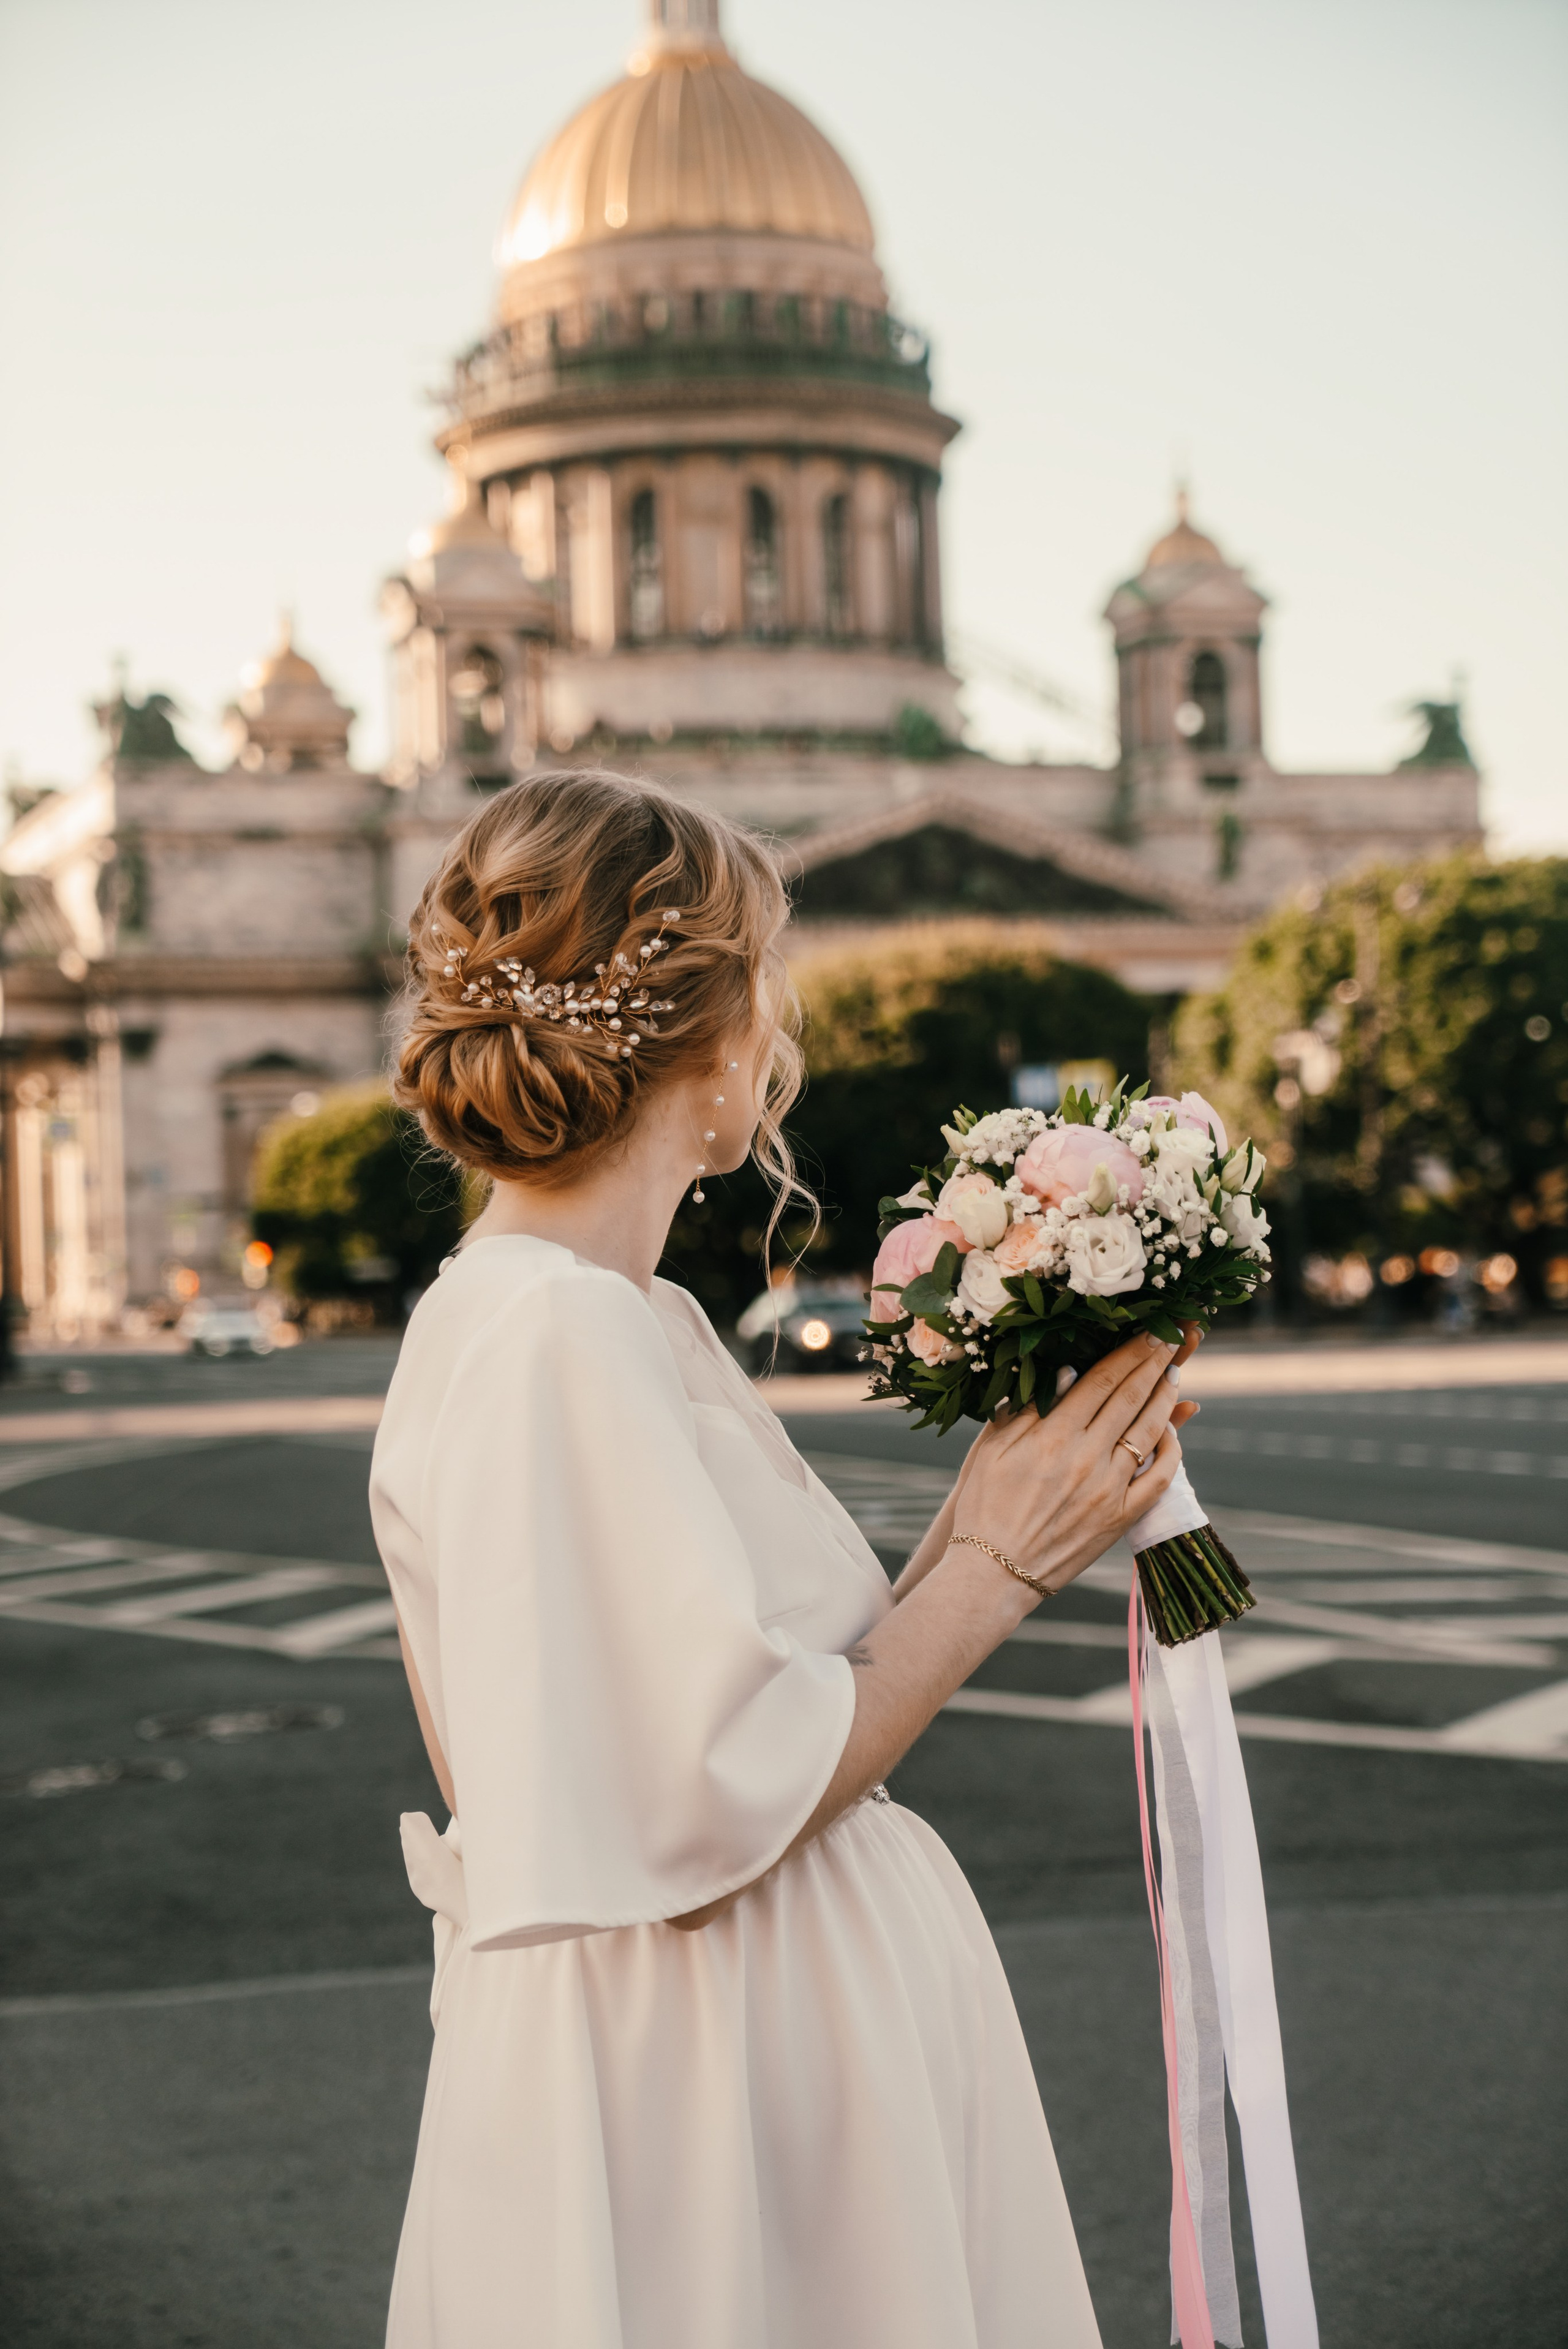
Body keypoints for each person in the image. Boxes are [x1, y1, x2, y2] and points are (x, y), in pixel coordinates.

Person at [369, 771, 1196, 2349]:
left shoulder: (613, 1313)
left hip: (761, 2036)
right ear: (699, 1035)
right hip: (716, 2061)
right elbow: (703, 1794)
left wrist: (1015, 1485)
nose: (783, 1030)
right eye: (767, 981)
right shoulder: (553, 1328)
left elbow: (761, 1682)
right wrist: (1001, 1577)